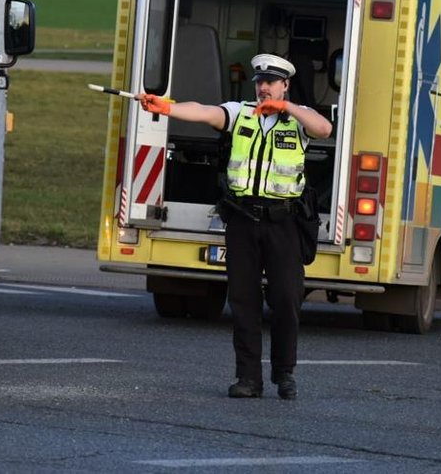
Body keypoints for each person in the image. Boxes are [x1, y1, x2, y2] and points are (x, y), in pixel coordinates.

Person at [136, 53, 333, 400]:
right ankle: (248, 378)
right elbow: (204, 111)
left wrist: (286, 107)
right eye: (259, 82)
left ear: (284, 85)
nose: (263, 88)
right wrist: (166, 107)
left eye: (271, 82)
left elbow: (324, 128)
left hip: (283, 222)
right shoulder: (240, 112)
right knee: (243, 302)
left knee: (286, 299)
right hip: (243, 220)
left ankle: (284, 373)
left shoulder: (296, 120)